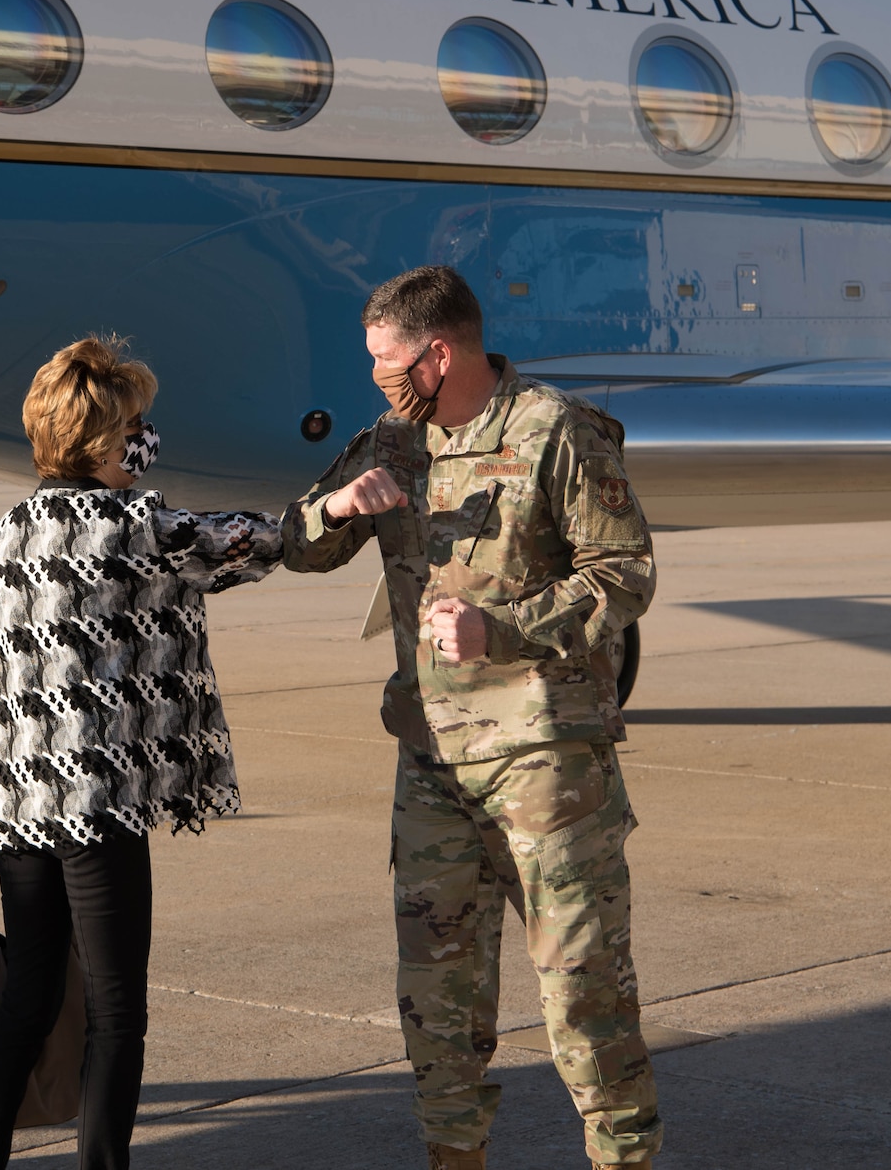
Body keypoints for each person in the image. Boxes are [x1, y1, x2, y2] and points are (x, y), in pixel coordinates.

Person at [282, 267, 661, 1170]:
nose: (375, 372)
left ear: (437, 352)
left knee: (583, 993)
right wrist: (338, 504)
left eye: (385, 357)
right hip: (433, 763)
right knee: (437, 1001)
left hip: (545, 761)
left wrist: (504, 627)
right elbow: (297, 544)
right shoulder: (391, 439)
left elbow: (625, 572)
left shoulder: (554, 430)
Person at [0, 335, 282, 1170]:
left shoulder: (4, 533)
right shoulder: (133, 522)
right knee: (114, 1008)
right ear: (99, 441)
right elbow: (245, 542)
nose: (148, 438)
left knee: (26, 992)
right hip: (96, 801)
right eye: (136, 423)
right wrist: (338, 509)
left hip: (15, 801)